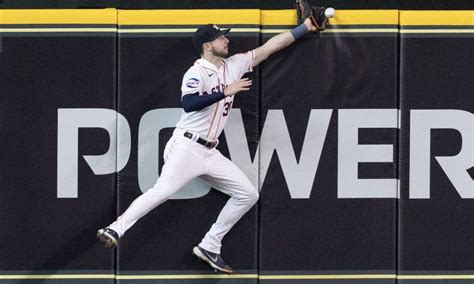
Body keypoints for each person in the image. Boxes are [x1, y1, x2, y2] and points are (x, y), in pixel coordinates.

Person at [98, 16, 320, 273]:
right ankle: (115, 227)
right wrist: (225, 92)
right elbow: (189, 103)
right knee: (162, 190)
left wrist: (304, 28)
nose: (227, 40)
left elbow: (270, 47)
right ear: (206, 45)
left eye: (224, 36)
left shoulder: (233, 65)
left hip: (209, 151)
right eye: (220, 37)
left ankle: (210, 245)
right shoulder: (197, 72)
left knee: (248, 194)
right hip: (187, 145)